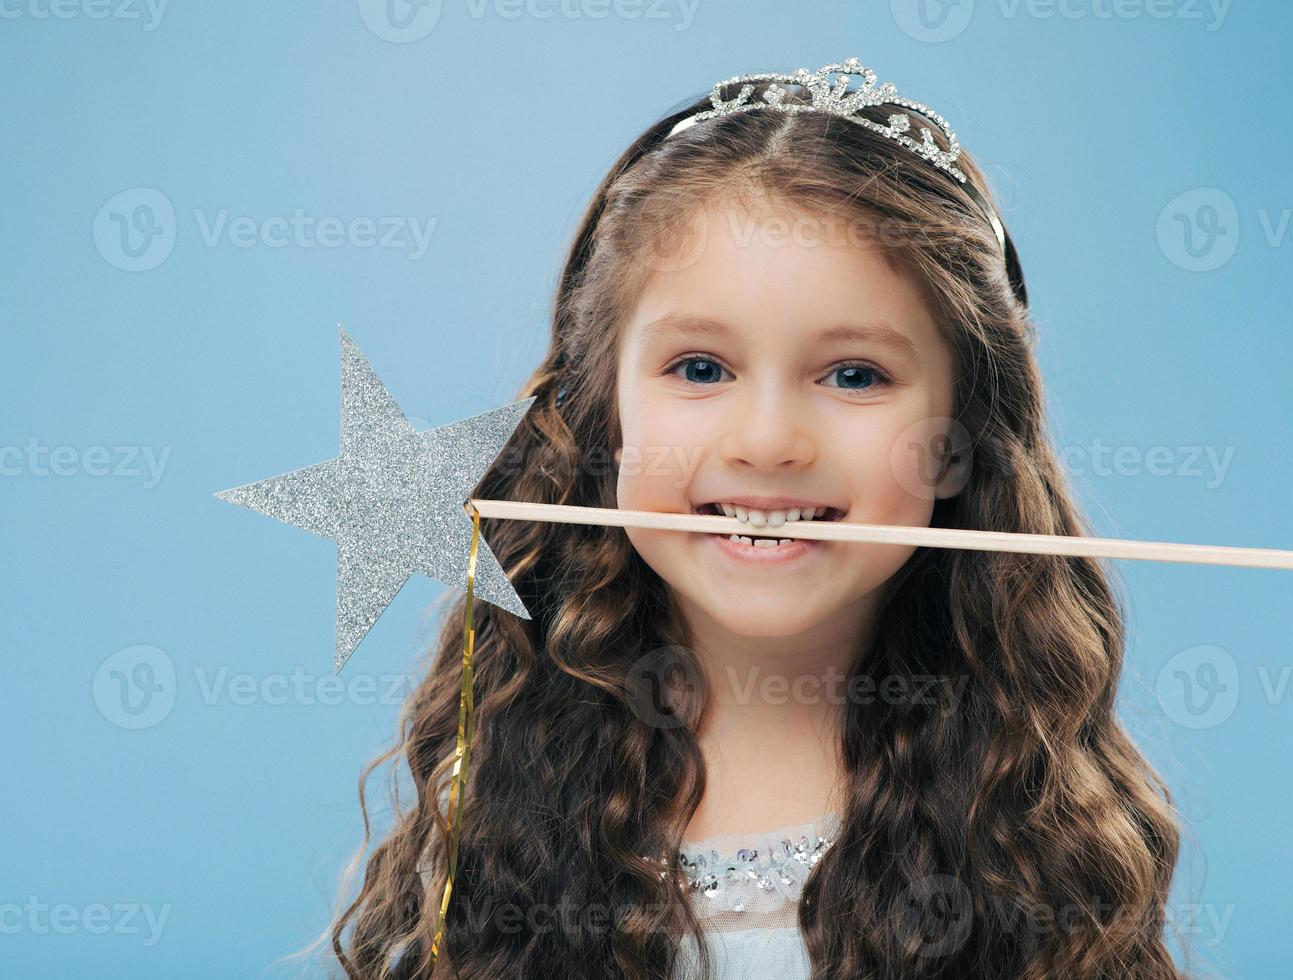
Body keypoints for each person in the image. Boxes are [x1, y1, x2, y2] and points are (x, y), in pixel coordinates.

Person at [318, 57, 1185, 979]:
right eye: (699, 368)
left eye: (854, 375)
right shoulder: (502, 783)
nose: (768, 442)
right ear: (604, 416)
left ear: (956, 440)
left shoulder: (1024, 817)